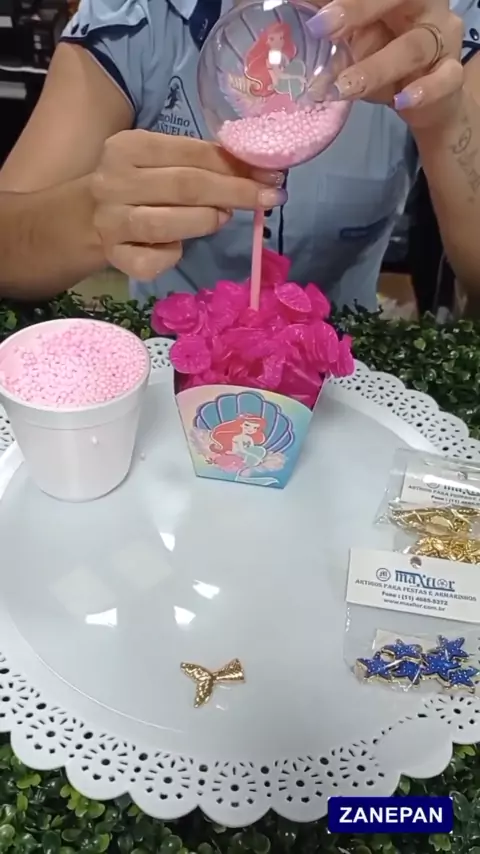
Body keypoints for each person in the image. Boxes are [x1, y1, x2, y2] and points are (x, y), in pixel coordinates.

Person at [0, 0, 480, 309]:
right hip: (170, 359)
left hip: (343, 372)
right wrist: (92, 214)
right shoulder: (140, 15)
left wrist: (445, 120)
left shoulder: (430, 20)